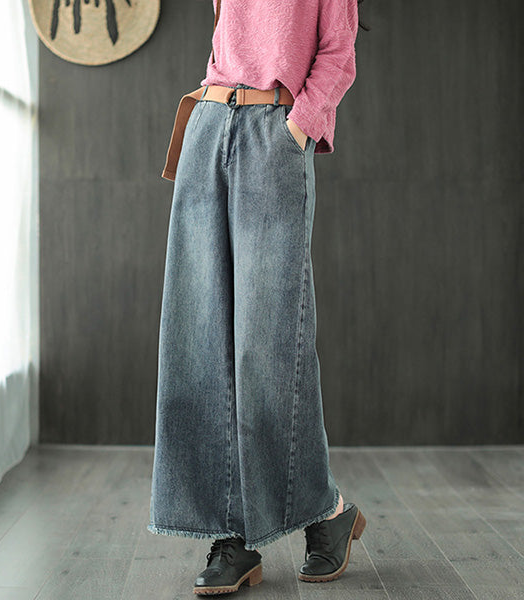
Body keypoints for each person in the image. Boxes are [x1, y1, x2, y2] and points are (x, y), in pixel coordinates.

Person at [148, 0, 370, 595]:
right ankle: (233, 534)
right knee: (199, 337)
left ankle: (323, 511)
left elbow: (338, 52)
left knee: (270, 344)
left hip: (275, 130)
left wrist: (299, 124)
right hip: (207, 123)